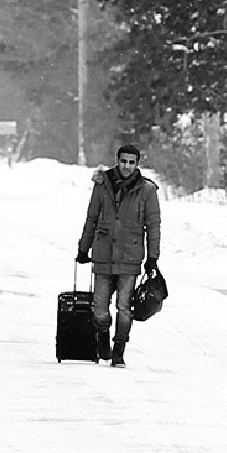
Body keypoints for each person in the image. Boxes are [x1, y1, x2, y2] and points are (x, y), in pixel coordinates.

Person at [76, 143, 161, 368]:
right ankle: (103, 336)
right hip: (103, 253)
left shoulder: (147, 190)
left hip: (130, 256)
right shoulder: (102, 184)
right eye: (123, 161)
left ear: (137, 164)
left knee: (125, 307)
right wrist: (84, 248)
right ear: (118, 160)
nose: (126, 166)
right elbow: (92, 218)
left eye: (131, 162)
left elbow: (153, 225)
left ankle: (119, 350)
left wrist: (153, 258)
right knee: (99, 308)